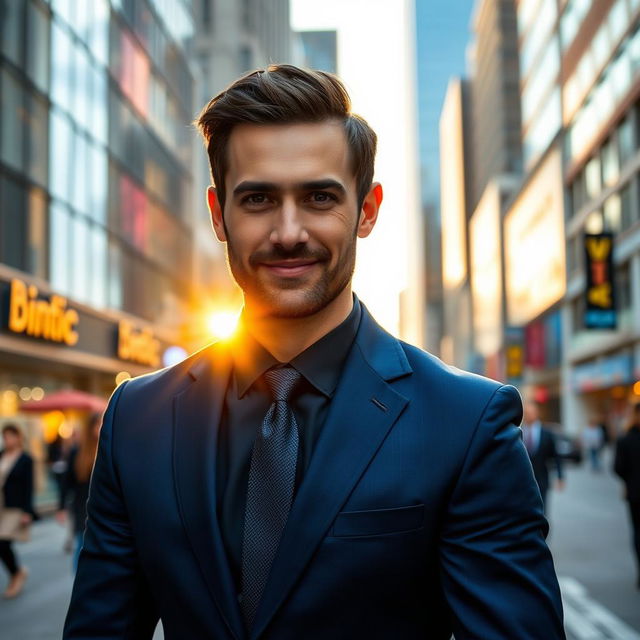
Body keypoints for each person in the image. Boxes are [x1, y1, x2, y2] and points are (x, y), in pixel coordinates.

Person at [64, 65, 564, 639]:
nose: (288, 231)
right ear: (217, 213)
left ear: (368, 209)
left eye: (320, 196)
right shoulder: (137, 418)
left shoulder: (466, 420)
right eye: (257, 199)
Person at [56, 413, 102, 570]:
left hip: (106, 507)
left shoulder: (110, 448)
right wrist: (61, 507)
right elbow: (66, 483)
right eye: (97, 424)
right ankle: (81, 586)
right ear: (90, 428)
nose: (100, 428)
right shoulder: (77, 451)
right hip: (82, 507)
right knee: (81, 546)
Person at [0, 423, 34, 599]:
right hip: (1, 505)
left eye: (10, 436)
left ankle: (16, 574)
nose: (7, 439)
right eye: (5, 436)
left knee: (3, 542)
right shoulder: (1, 455)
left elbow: (29, 487)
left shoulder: (26, 459)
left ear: (18, 437)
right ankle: (17, 572)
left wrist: (27, 511)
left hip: (14, 506)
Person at [521, 401, 565, 512]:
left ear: (537, 413)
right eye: (526, 412)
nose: (529, 415)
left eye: (531, 412)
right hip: (522, 481)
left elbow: (556, 456)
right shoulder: (518, 433)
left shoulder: (547, 433)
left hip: (542, 479)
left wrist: (560, 476)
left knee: (542, 509)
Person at [614, 402, 640, 588]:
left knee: (638, 532)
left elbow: (618, 468)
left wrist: (629, 480)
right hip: (634, 492)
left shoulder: (625, 439)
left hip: (635, 492)